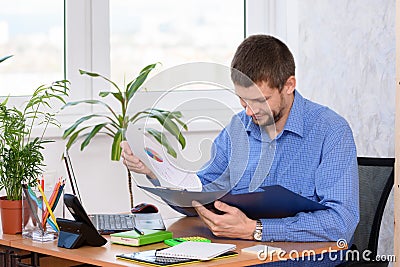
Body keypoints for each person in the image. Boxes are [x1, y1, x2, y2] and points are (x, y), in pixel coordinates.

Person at [121, 34, 359, 243]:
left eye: (259, 100)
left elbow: (341, 223)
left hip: (301, 257)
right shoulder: (238, 128)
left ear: (289, 85)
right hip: (242, 253)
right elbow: (199, 196)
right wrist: (155, 172)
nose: (248, 111)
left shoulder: (331, 131)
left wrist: (256, 229)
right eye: (242, 100)